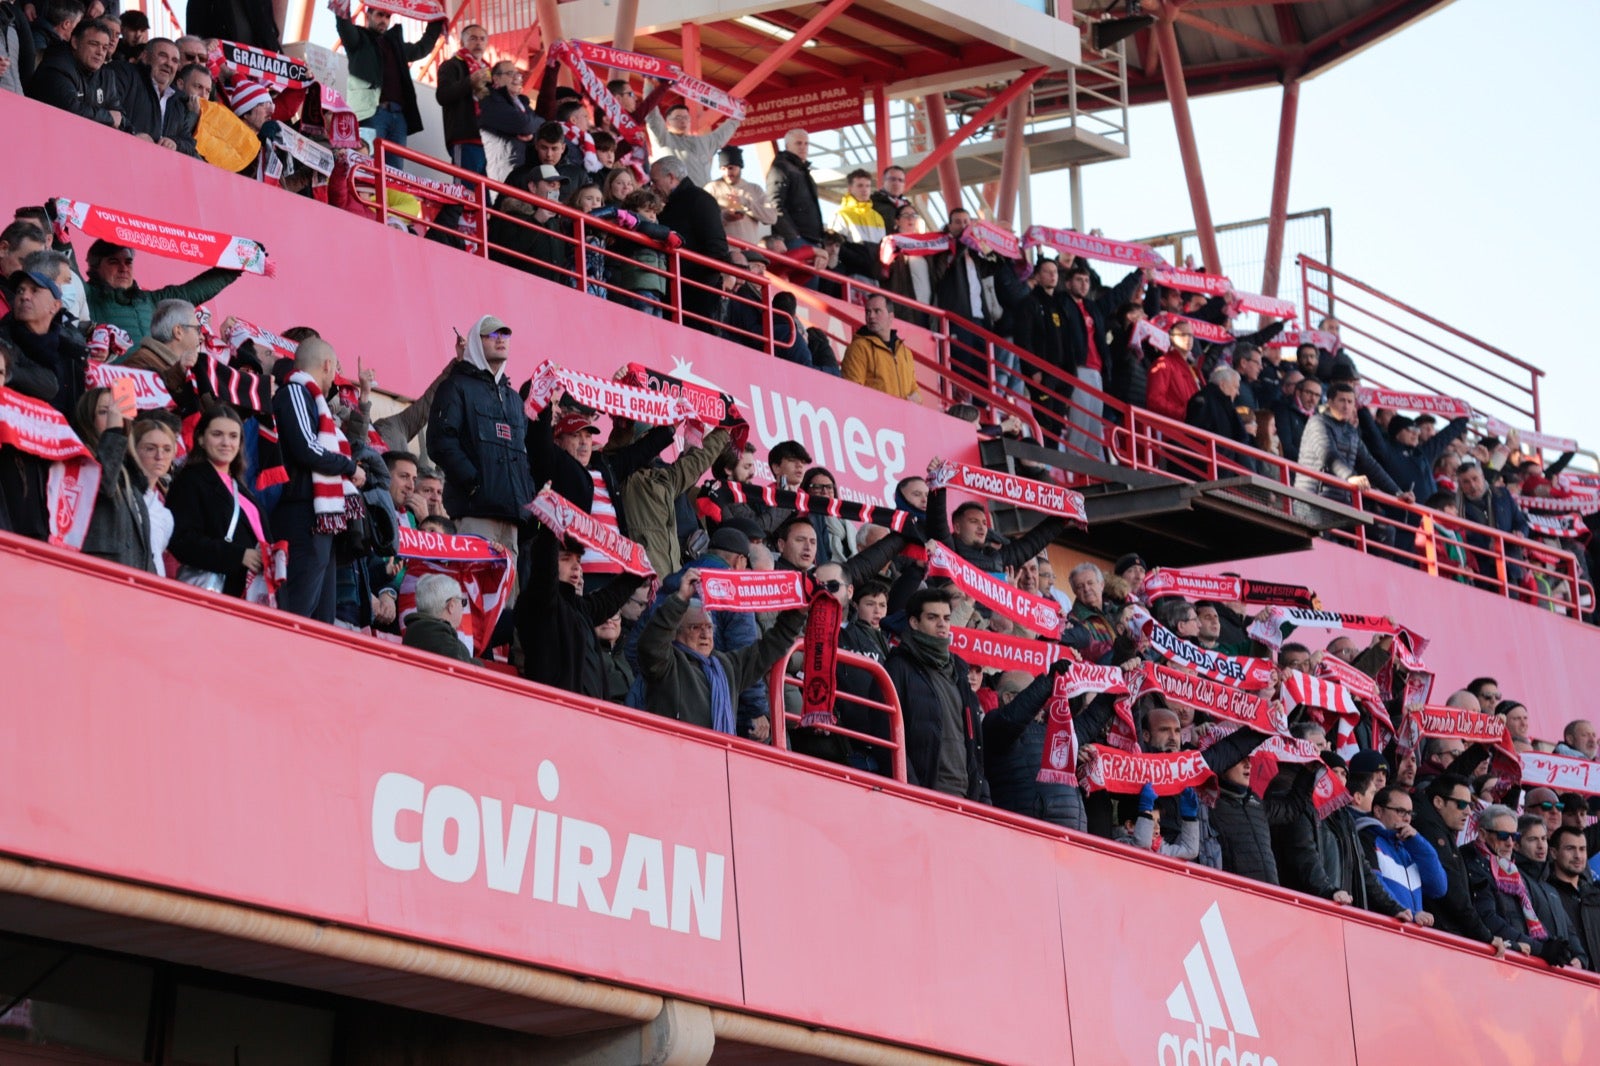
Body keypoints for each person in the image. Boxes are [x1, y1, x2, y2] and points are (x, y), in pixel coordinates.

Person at [427, 315, 534, 600]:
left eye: (505, 334)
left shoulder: (513, 399)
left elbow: (523, 455)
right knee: (472, 600)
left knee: (505, 605)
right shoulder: (455, 387)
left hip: (511, 522)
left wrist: (529, 499)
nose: (500, 339)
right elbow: (439, 442)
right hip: (475, 515)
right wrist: (475, 483)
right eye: (491, 335)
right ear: (476, 341)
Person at [637, 568, 806, 733]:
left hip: (719, 757)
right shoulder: (666, 665)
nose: (705, 634)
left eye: (709, 627)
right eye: (695, 627)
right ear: (676, 631)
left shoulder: (727, 666)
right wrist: (680, 599)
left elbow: (771, 647)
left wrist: (798, 614)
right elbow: (651, 643)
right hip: (675, 755)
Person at [272, 337, 363, 623]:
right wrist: (349, 466)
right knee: (298, 607)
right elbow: (307, 448)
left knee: (322, 615)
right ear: (327, 365)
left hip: (322, 516)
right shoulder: (295, 393)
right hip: (302, 514)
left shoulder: (314, 401)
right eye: (334, 369)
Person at [886, 587, 988, 801]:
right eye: (932, 617)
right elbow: (886, 734)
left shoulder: (960, 670)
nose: (942, 624)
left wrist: (983, 797)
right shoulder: (898, 667)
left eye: (946, 618)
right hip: (922, 796)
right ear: (914, 623)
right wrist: (912, 790)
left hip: (965, 799)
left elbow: (973, 740)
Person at [519, 527, 646, 698]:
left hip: (591, 714)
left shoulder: (580, 607)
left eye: (578, 560)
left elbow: (611, 597)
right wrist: (551, 528)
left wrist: (638, 566)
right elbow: (544, 570)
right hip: (556, 711)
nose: (576, 567)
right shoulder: (539, 602)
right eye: (566, 559)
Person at [166, 406, 269, 598]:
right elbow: (182, 540)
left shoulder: (241, 487)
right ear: (201, 439)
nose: (226, 442)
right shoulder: (190, 480)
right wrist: (238, 556)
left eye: (233, 436)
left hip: (250, 594)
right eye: (217, 434)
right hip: (214, 595)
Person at [68, 384, 155, 572]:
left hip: (131, 581)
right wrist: (114, 432)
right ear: (87, 419)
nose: (114, 417)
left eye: (117, 411)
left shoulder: (128, 470)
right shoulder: (79, 457)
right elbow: (103, 485)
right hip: (98, 576)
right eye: (104, 412)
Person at [1412, 772, 1504, 949]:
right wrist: (1484, 935)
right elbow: (1454, 893)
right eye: (1461, 804)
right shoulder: (1431, 831)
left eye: (1469, 805)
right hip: (1438, 936)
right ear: (1438, 802)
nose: (1468, 812)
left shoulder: (1441, 830)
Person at [335, 3, 446, 148]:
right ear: (368, 16)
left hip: (399, 117)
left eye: (388, 16)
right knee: (369, 165)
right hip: (372, 113)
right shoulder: (359, 39)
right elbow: (344, 24)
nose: (384, 20)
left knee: (394, 170)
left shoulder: (395, 45)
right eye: (380, 15)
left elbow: (421, 48)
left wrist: (437, 21)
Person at [85, 239, 240, 342]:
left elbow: (193, 291)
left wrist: (238, 262)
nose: (123, 268)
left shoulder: (149, 300)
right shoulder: (86, 295)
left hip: (153, 386)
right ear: (96, 266)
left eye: (128, 262)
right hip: (112, 387)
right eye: (114, 262)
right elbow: (65, 267)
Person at [651, 155, 731, 335]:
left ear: (671, 177)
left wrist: (699, 283)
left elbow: (717, 249)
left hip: (697, 297)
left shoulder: (699, 200)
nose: (653, 188)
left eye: (655, 181)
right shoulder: (673, 205)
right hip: (677, 292)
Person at [1294, 382, 1410, 505]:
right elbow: (1328, 454)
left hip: (1338, 501)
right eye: (1342, 401)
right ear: (1330, 402)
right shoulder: (1317, 422)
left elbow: (1370, 464)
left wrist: (1398, 493)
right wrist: (1350, 477)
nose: (1346, 406)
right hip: (1312, 498)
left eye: (1350, 402)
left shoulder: (1351, 432)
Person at [1, 264, 84, 416]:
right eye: (20, 290)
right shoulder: (3, 339)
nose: (24, 296)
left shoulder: (72, 347)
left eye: (35, 291)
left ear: (55, 306)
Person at [1355, 785, 1446, 923]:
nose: (1407, 819)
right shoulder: (1366, 839)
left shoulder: (1410, 846)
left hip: (1409, 933)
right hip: (1381, 929)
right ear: (1379, 811)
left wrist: (1418, 843)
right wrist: (1410, 914)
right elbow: (1375, 886)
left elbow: (1439, 887)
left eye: (1410, 813)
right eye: (1401, 811)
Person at [26, 16, 121, 129]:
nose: (100, 52)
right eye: (94, 44)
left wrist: (135, 133)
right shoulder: (57, 66)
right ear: (75, 42)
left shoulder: (106, 76)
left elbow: (119, 115)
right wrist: (109, 118)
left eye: (105, 48)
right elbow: (71, 109)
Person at [644, 97, 741, 187]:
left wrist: (737, 117)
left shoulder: (702, 142)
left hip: (704, 198)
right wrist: (649, 84)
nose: (683, 121)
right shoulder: (663, 139)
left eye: (686, 117)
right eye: (678, 118)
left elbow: (720, 136)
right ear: (667, 122)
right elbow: (652, 117)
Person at [119, 36, 193, 153]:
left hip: (158, 168)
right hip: (122, 155)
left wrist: (175, 143)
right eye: (163, 56)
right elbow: (110, 111)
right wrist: (133, 133)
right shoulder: (125, 74)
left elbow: (189, 143)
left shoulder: (178, 100)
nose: (169, 64)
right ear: (145, 57)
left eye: (174, 60)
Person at [841, 293, 919, 403]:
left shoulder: (905, 352)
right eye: (868, 312)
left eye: (877, 311)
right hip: (874, 418)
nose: (871, 316)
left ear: (891, 317)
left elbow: (915, 390)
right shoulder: (858, 348)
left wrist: (916, 399)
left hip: (902, 418)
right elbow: (852, 392)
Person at [434, 23, 490, 174]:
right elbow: (442, 96)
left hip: (489, 142)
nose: (478, 42)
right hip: (465, 138)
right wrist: (470, 81)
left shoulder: (490, 71)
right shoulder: (451, 65)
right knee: (467, 193)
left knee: (488, 196)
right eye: (473, 38)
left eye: (482, 39)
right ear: (462, 43)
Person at [479, 61, 542, 183]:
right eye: (510, 73)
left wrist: (531, 134)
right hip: (502, 170)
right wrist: (530, 127)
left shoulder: (521, 103)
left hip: (521, 168)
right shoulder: (491, 100)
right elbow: (524, 124)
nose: (516, 77)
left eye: (517, 74)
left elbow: (541, 123)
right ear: (496, 79)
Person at [766, 129, 824, 257]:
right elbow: (774, 203)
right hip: (797, 240)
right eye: (798, 143)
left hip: (811, 240)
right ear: (787, 146)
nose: (803, 147)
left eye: (806, 143)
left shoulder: (803, 171)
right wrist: (793, 236)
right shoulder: (781, 168)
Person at [1549, 826, 1600, 969]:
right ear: (1553, 852)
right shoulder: (1547, 893)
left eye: (1582, 849)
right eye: (1570, 848)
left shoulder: (1595, 895)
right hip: (1565, 980)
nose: (1578, 855)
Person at [704, 145, 775, 246]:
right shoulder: (711, 188)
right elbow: (702, 220)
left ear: (740, 167)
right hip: (725, 251)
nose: (727, 172)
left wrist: (746, 204)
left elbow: (772, 218)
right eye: (723, 168)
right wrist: (724, 217)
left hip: (751, 250)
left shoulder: (754, 189)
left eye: (731, 168)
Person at [130, 415, 176, 571]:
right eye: (150, 448)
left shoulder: (165, 515)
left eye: (167, 449)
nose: (159, 456)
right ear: (133, 450)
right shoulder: (120, 495)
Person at [401, 573, 476, 664]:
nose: (462, 608)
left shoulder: (413, 633)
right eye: (463, 602)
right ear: (451, 606)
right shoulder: (450, 647)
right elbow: (470, 670)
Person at [1144, 319, 1203, 422]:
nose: (1188, 339)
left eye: (1191, 335)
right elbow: (1154, 400)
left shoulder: (1192, 368)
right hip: (1172, 430)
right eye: (1183, 334)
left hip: (1188, 428)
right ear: (1171, 337)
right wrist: (1185, 414)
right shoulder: (1163, 364)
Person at [184, 0, 279, 49]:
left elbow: (271, 38)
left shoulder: (260, 2)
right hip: (219, 75)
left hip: (259, 77)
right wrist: (204, 44)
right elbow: (193, 41)